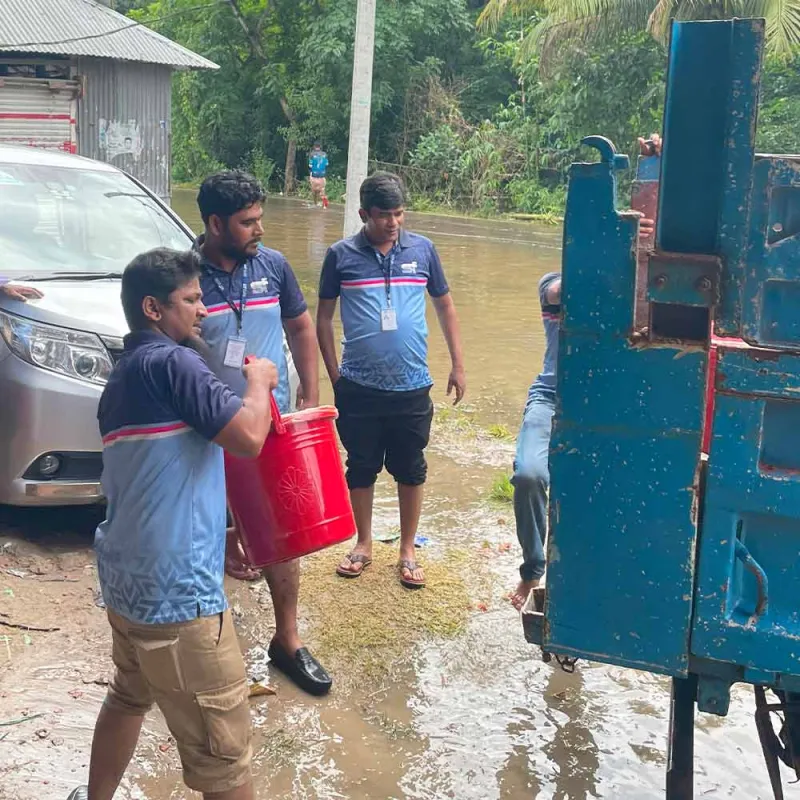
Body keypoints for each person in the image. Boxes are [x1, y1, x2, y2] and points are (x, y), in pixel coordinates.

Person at [68, 248, 277, 800]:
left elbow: (156, 478)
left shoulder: (124, 377)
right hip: (179, 597)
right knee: (224, 756)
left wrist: (224, 532)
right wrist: (260, 381)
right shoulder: (175, 363)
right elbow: (250, 438)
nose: (203, 310)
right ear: (153, 309)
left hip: (126, 584)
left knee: (128, 696)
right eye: (190, 300)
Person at [508, 136, 660, 611]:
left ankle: (596, 578)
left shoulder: (634, 290)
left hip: (609, 403)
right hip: (552, 396)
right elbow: (564, 288)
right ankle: (533, 567)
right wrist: (620, 249)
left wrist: (655, 168)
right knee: (530, 474)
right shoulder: (554, 286)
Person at [195, 170, 331, 697]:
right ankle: (210, 646)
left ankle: (287, 640)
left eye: (260, 219)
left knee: (281, 532)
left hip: (267, 421)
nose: (259, 229)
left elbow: (299, 325)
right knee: (206, 532)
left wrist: (309, 394)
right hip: (202, 428)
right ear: (214, 223)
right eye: (247, 222)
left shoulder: (272, 267)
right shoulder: (186, 276)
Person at [316, 171, 466, 590]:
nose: (393, 223)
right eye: (384, 216)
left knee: (410, 467)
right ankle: (363, 543)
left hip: (412, 383)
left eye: (399, 214)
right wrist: (334, 374)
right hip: (358, 386)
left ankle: (407, 549)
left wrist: (458, 364)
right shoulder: (341, 256)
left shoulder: (423, 251)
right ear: (364, 214)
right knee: (361, 465)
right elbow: (323, 318)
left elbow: (446, 307)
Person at [308, 142, 329, 208]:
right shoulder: (324, 154)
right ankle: (325, 205)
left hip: (314, 176)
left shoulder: (312, 154)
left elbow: (310, 166)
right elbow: (327, 164)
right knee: (322, 191)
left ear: (314, 147)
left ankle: (315, 203)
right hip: (322, 176)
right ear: (320, 147)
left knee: (314, 191)